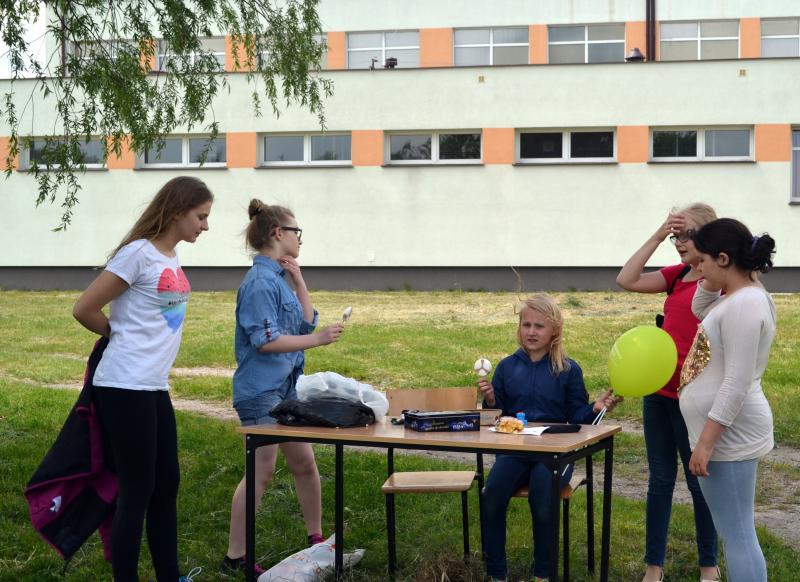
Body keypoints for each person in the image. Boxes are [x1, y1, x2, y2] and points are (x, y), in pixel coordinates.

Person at [72, 176, 214, 582]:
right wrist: (118, 335)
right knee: (137, 489)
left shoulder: (170, 255)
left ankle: (169, 576)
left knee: (166, 484)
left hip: (152, 385)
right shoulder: (137, 254)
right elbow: (84, 308)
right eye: (201, 216)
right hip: (123, 385)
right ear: (177, 212)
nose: (205, 226)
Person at [221, 199, 344, 575]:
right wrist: (318, 340)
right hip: (261, 392)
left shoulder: (279, 278)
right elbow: (266, 340)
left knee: (304, 463)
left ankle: (316, 541)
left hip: (284, 389)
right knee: (262, 470)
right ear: (278, 233)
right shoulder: (260, 282)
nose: (300, 238)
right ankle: (235, 557)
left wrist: (300, 281)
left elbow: (304, 324)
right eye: (296, 231)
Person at [478, 294, 621, 582]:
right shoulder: (507, 367)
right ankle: (496, 574)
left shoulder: (568, 369)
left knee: (543, 496)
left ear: (554, 330)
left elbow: (578, 418)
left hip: (556, 454)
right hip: (515, 451)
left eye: (539, 326)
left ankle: (543, 574)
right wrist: (491, 400)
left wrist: (594, 408)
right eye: (526, 325)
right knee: (491, 495)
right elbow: (496, 417)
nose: (531, 332)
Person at [616, 203, 720, 582]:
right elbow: (626, 279)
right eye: (676, 235)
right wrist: (658, 234)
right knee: (660, 480)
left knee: (698, 483)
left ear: (709, 237)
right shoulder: (677, 276)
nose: (679, 242)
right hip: (658, 395)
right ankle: (653, 567)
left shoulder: (718, 283)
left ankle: (709, 566)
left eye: (687, 235)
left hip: (694, 399)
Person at [680, 218, 776, 582]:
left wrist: (705, 444)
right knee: (733, 532)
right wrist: (709, 278)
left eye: (702, 261)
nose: (697, 269)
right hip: (723, 434)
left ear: (723, 258)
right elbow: (699, 310)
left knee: (737, 534)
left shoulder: (745, 304)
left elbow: (736, 382)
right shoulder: (735, 297)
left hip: (728, 436)